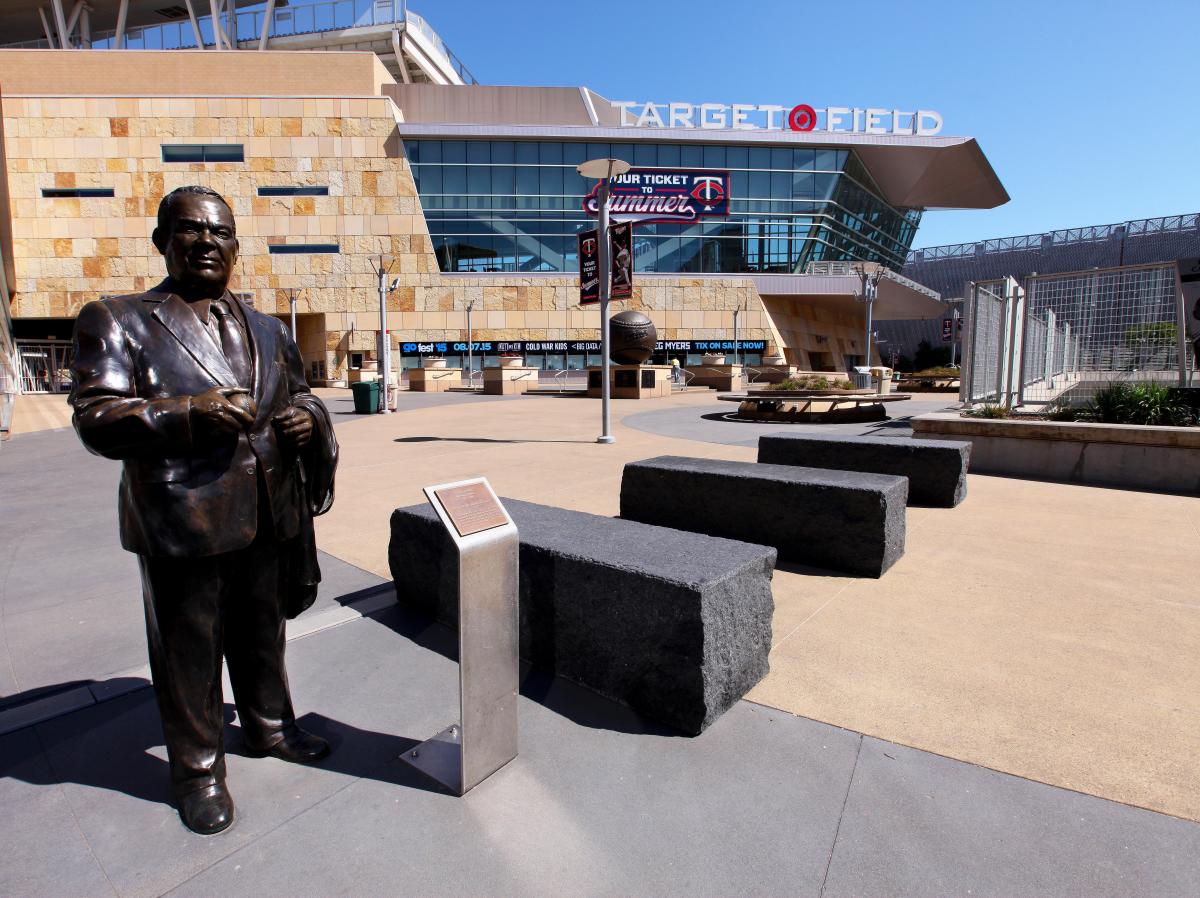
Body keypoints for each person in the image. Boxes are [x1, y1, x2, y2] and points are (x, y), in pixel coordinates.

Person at [69, 185, 338, 835]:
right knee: (189, 650)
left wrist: (308, 421)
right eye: (191, 229)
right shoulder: (119, 319)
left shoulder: (270, 329)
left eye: (221, 233)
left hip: (267, 512)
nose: (207, 242)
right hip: (182, 518)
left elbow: (302, 398)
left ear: (237, 248)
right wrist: (193, 414)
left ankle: (269, 727)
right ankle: (196, 772)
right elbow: (98, 419)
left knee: (262, 631)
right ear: (163, 240)